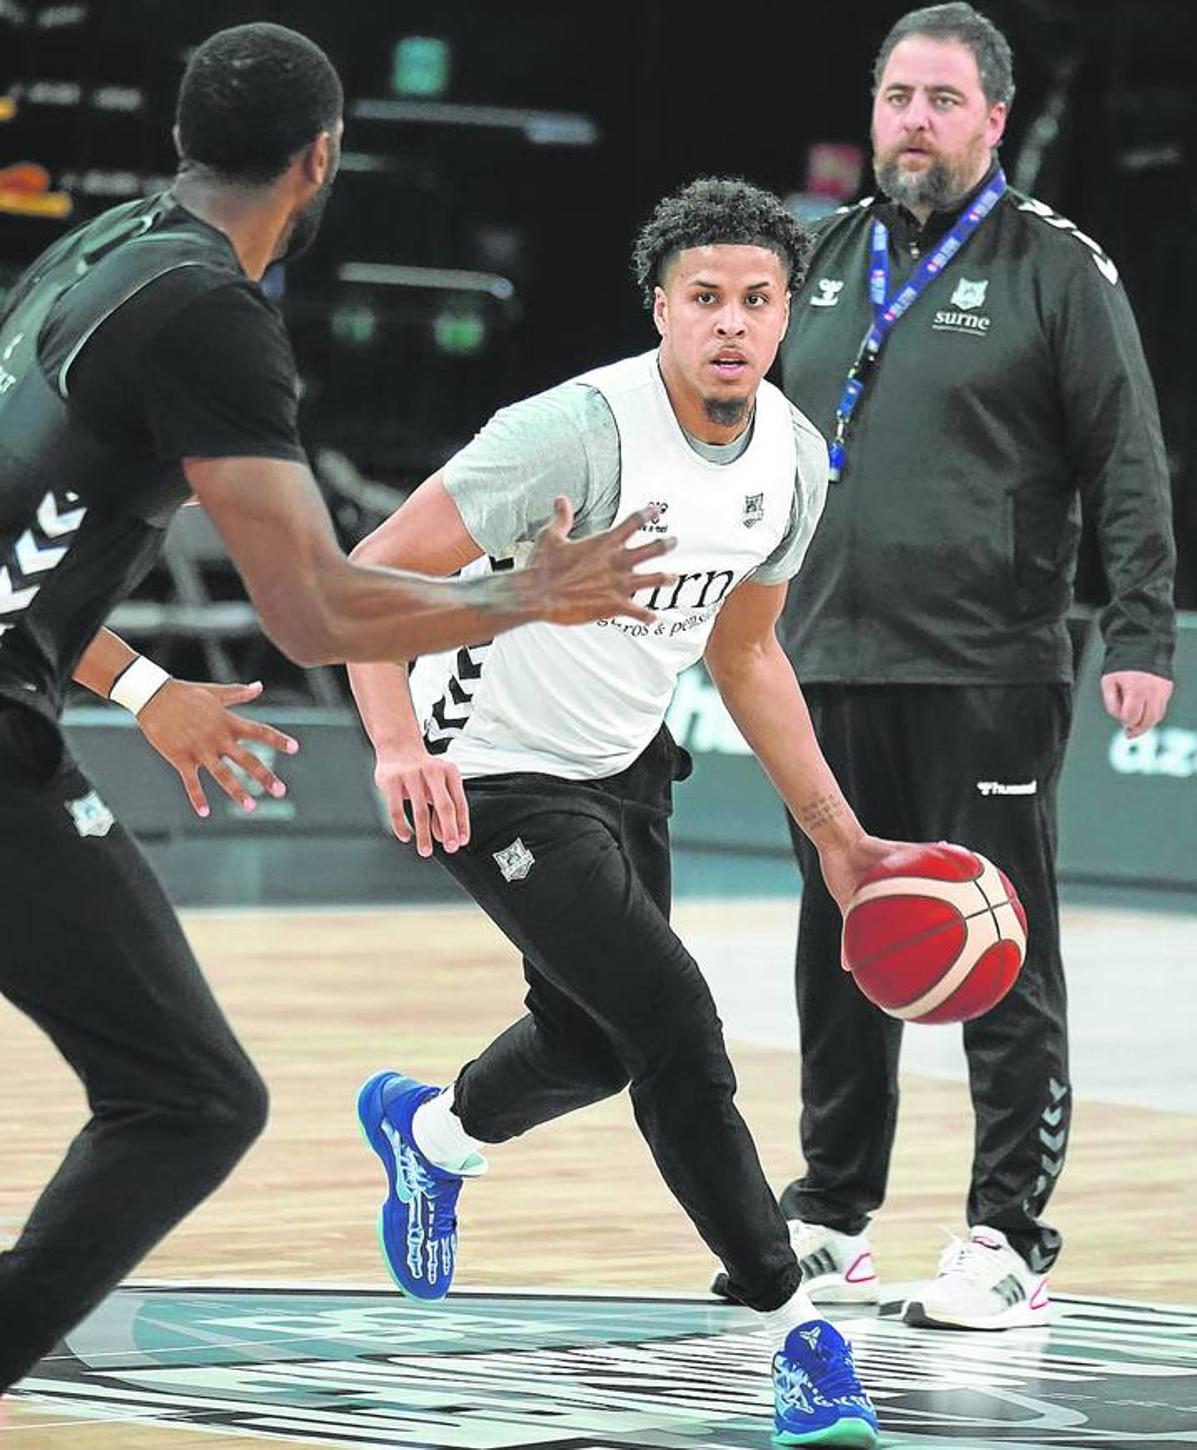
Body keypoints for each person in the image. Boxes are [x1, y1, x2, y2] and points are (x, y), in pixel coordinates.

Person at [0, 22, 673, 1393]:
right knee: (190, 1099)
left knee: (168, 1089)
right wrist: (523, 596)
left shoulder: (93, 251)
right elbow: (313, 609)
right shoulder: (209, 315)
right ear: (323, 157)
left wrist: (137, 681)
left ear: (184, 139)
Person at [348, 177, 890, 1448]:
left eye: (759, 300)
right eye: (705, 298)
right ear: (661, 307)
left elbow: (749, 656)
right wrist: (391, 748)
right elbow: (366, 576)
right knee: (673, 1021)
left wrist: (838, 834)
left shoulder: (795, 461)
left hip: (624, 762)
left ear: (787, 314)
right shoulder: (572, 434)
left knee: (593, 1044)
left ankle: (429, 1130)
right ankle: (793, 1333)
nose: (732, 324)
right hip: (488, 764)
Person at [761, 1, 1176, 1331]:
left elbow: (1126, 457)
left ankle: (1008, 1232)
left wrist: (1140, 627)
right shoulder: (818, 253)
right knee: (839, 942)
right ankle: (830, 1209)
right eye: (897, 98)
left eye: (942, 100)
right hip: (820, 658)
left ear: (993, 119)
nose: (914, 123)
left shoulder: (1057, 267)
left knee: (1001, 950)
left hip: (986, 663)